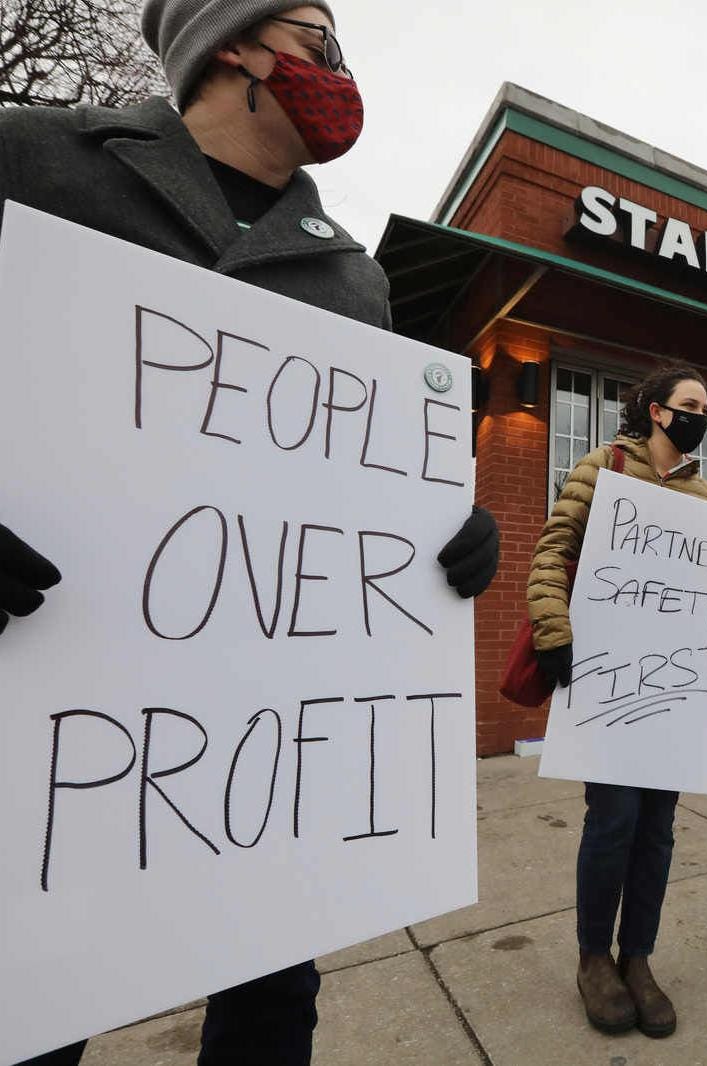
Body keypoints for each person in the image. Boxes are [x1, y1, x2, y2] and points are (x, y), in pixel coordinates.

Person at [2, 4, 500, 1062]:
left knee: (272, 1007)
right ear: (234, 43)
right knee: (35, 1013)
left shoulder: (353, 278)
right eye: (319, 35)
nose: (340, 65)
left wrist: (446, 531)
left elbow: (350, 489)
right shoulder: (34, 159)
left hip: (266, 761)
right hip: (51, 730)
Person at [527, 363, 707, 1039]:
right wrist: (553, 629)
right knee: (612, 821)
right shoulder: (602, 467)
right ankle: (592, 960)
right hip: (607, 684)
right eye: (690, 404)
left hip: (678, 697)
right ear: (657, 411)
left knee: (657, 829)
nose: (701, 415)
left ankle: (638, 959)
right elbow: (552, 550)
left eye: (706, 407)